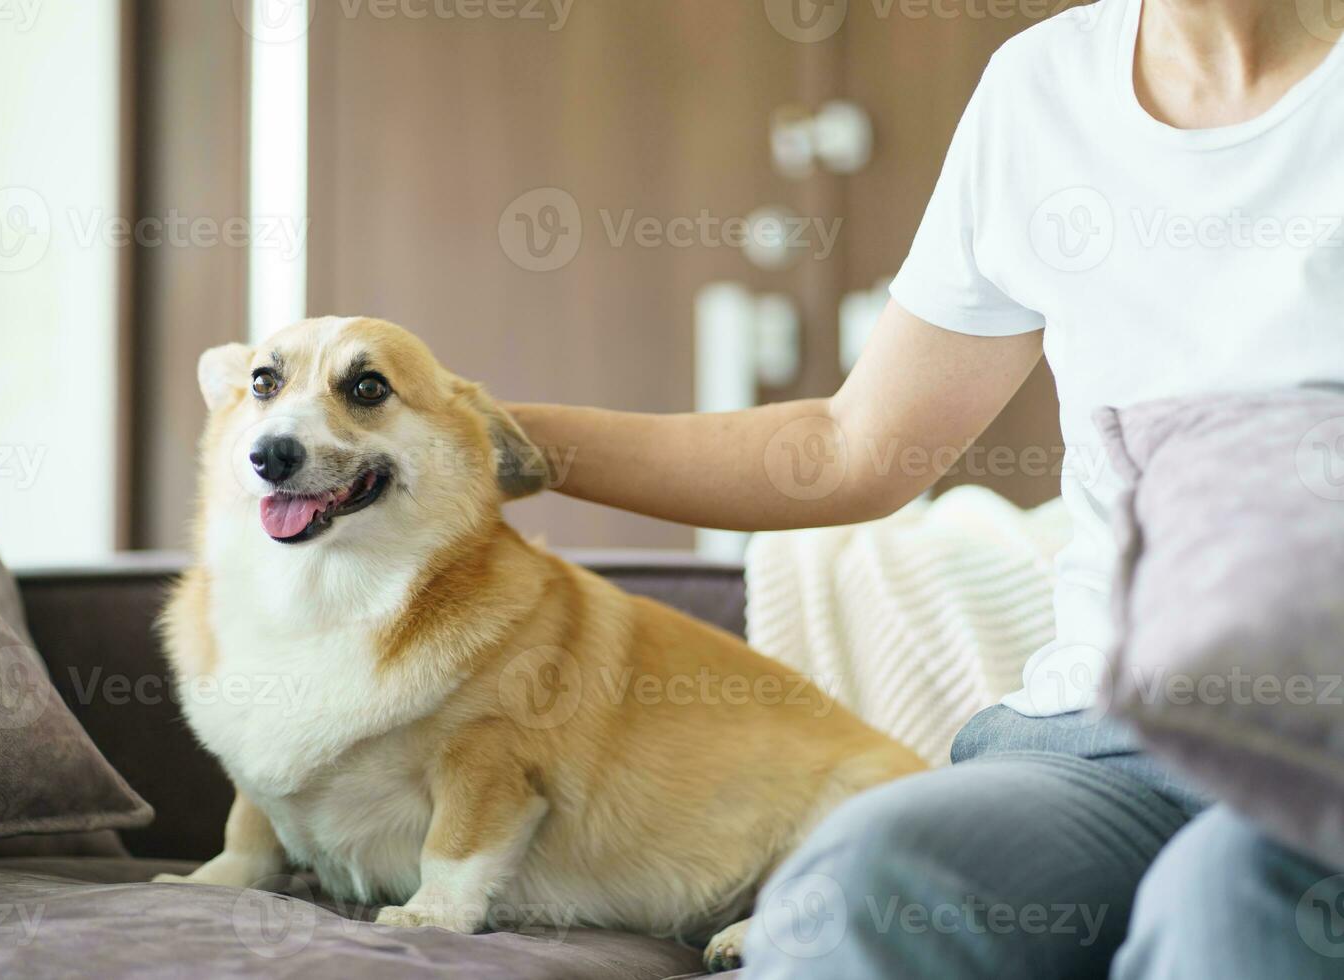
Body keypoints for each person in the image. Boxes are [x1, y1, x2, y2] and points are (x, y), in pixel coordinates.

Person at [507, 0, 1344, 975]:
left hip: (1318, 736)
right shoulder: (1041, 90)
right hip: (1104, 740)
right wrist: (499, 439)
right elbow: (848, 446)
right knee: (868, 875)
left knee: (1225, 904)